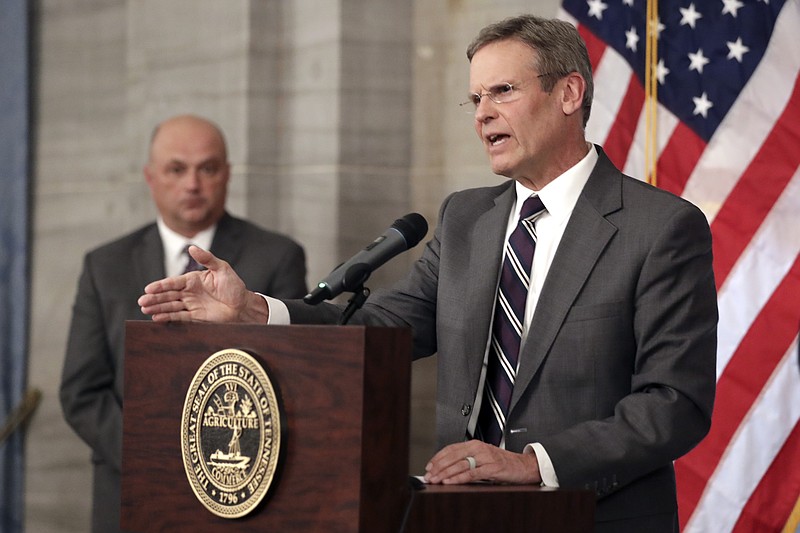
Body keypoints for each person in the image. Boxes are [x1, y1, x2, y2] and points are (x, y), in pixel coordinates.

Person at [137, 16, 717, 532]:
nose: (483, 113)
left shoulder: (660, 228)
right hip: (456, 514)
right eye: (475, 99)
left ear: (569, 93)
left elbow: (675, 402)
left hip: (592, 517)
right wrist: (256, 312)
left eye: (503, 92)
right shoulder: (467, 218)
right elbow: (389, 325)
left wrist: (532, 463)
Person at [60, 114, 307, 532]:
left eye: (207, 169)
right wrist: (157, 456)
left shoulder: (277, 256)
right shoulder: (105, 265)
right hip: (130, 489)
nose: (192, 184)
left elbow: (292, 383)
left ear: (227, 175)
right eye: (177, 169)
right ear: (150, 177)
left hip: (242, 491)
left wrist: (214, 461)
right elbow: (81, 392)